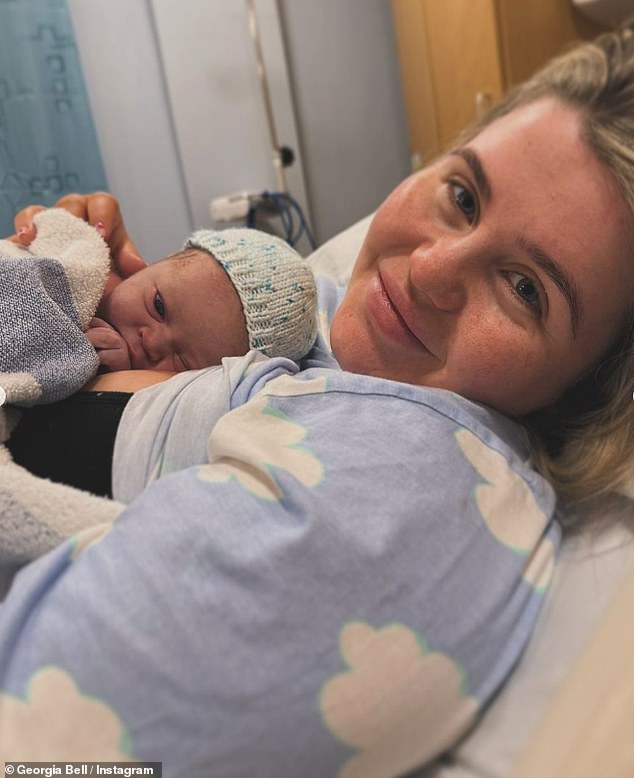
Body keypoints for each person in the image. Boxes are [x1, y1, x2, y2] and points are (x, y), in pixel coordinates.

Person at [0, 22, 632, 777]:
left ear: (587, 393)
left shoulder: (406, 491)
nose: (429, 269)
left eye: (525, 288)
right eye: (463, 196)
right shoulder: (340, 321)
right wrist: (96, 284)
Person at [1, 210, 317, 495]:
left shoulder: (132, 384)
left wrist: (100, 368)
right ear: (153, 263)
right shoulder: (87, 269)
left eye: (182, 360)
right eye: (159, 307)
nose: (152, 342)